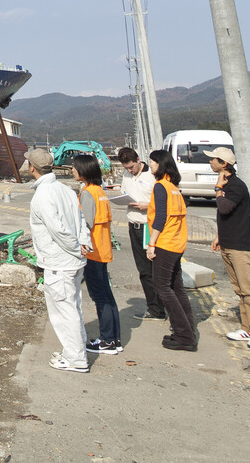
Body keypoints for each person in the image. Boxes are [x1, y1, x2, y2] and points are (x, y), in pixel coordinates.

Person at [25, 147, 92, 373]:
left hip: (59, 261)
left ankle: (76, 359)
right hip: (74, 261)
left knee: (63, 312)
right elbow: (80, 219)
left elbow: (58, 231)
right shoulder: (66, 190)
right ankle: (77, 348)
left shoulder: (42, 196)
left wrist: (75, 248)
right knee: (73, 307)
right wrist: (84, 244)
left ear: (31, 168)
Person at [210, 147, 250, 350]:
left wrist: (219, 189)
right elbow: (226, 217)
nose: (210, 162)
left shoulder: (236, 186)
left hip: (240, 244)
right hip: (228, 242)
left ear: (223, 164)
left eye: (213, 160)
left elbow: (225, 208)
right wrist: (219, 236)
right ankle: (247, 327)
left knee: (249, 289)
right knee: (239, 289)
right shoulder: (228, 185)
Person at [146, 149, 196, 351]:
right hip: (177, 243)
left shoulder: (160, 187)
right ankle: (188, 329)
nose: (150, 165)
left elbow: (160, 218)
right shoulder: (174, 187)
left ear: (160, 164)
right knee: (176, 287)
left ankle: (184, 336)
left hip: (165, 243)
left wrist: (151, 244)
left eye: (152, 163)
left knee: (162, 287)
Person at [74, 154, 122, 355]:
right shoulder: (100, 191)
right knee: (107, 295)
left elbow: (85, 224)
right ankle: (114, 338)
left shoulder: (87, 193)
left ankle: (107, 340)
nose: (72, 171)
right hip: (102, 249)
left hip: (92, 252)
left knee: (100, 297)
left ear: (83, 171)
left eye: (75, 168)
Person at [116, 147, 165, 322]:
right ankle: (153, 307)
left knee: (156, 269)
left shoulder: (152, 175)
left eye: (131, 167)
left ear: (138, 160)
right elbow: (124, 191)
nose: (129, 170)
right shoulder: (126, 175)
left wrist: (148, 205)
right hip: (133, 225)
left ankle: (161, 307)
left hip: (149, 227)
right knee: (143, 271)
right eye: (126, 168)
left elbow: (163, 202)